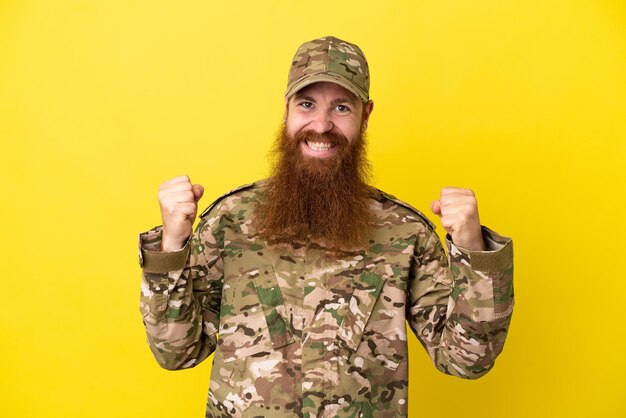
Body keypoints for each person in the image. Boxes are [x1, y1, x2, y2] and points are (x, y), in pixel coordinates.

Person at [138, 36, 514, 418]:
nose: (321, 124)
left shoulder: (405, 232)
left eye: (341, 107)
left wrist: (474, 251)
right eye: (306, 104)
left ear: (365, 115)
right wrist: (170, 246)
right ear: (286, 110)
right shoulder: (229, 221)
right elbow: (175, 352)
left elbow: (468, 360)